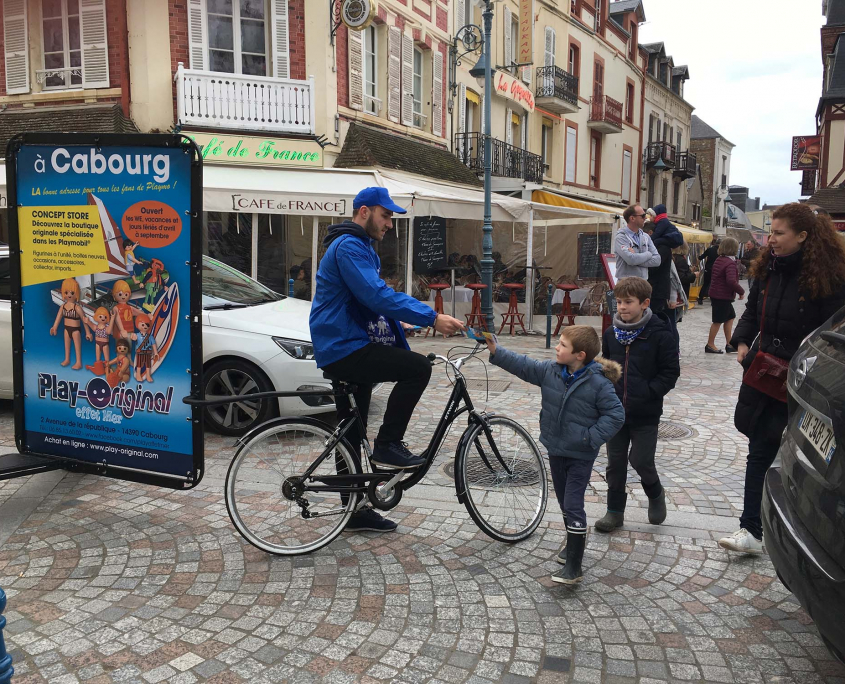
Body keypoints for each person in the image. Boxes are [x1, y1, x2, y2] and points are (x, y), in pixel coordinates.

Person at [310, 187, 464, 532]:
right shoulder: (349, 246)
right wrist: (430, 316)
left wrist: (399, 323)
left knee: (350, 430)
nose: (390, 224)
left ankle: (354, 511)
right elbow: (375, 295)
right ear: (363, 212)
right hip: (343, 345)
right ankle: (388, 445)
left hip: (344, 342)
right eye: (386, 215)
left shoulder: (359, 246)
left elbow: (368, 301)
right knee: (417, 368)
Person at [719, 203, 845, 554]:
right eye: (770, 231)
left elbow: (834, 332)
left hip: (809, 383)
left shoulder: (829, 276)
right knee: (759, 449)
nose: (770, 239)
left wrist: (816, 370)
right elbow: (752, 309)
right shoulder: (767, 269)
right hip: (765, 375)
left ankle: (802, 536)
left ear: (803, 236)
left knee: (805, 461)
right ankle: (751, 530)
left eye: (778, 233)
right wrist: (742, 341)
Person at [486, 326, 624, 585]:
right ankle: (573, 545)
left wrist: (589, 439)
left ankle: (574, 566)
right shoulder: (552, 371)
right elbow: (524, 365)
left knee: (572, 503)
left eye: (562, 345)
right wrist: (496, 350)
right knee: (564, 502)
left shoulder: (598, 383)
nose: (557, 348)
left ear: (579, 355)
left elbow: (616, 415)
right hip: (556, 449)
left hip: (580, 455)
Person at [596, 277, 681, 533]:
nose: (622, 307)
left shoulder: (660, 333)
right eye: (619, 301)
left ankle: (655, 493)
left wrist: (648, 392)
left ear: (644, 303)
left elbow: (670, 372)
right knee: (615, 463)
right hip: (615, 413)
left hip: (645, 412)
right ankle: (614, 512)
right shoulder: (611, 333)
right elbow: (606, 366)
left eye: (628, 302)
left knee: (641, 460)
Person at [705, 237, 744, 354]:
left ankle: (730, 343)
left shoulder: (720, 259)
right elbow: (731, 281)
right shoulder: (730, 263)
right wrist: (741, 291)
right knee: (718, 320)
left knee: (730, 316)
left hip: (717, 294)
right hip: (722, 295)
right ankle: (710, 344)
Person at [615, 205, 662, 280]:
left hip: (642, 283)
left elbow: (657, 260)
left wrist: (635, 259)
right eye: (643, 216)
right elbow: (631, 259)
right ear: (632, 218)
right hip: (626, 285)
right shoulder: (621, 237)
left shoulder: (646, 237)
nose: (646, 218)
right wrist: (648, 254)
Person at [696, 238, 720, 304]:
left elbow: (700, 257)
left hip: (708, 269)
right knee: (714, 285)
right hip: (717, 270)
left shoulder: (710, 249)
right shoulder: (721, 251)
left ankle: (700, 298)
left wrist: (696, 265)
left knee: (705, 284)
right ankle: (713, 300)